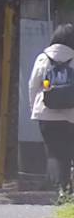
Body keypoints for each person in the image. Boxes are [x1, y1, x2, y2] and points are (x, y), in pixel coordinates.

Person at [29, 22, 74, 197]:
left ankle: (61, 188)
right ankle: (68, 186)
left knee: (54, 151)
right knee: (68, 150)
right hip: (71, 114)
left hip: (46, 114)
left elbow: (33, 85)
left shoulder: (43, 58)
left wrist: (34, 108)